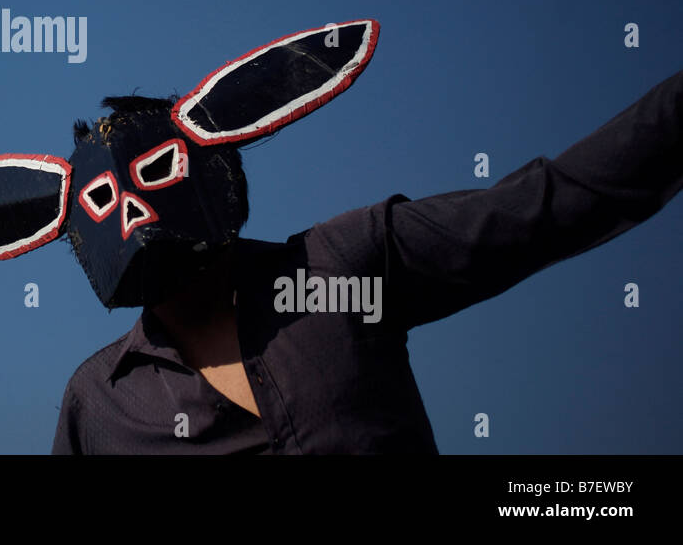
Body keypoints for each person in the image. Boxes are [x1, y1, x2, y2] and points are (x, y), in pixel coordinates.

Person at [51, 69, 683, 453]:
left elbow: (549, 202)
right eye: (102, 201)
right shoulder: (100, 406)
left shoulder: (343, 270)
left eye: (157, 174)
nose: (133, 216)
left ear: (212, 169)